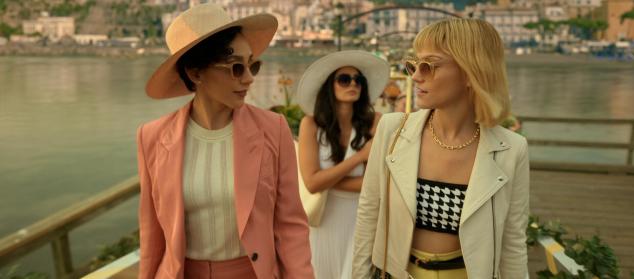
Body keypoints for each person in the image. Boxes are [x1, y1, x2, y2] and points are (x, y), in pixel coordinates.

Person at [136, 4, 314, 278]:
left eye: (252, 64)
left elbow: (290, 226)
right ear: (196, 73)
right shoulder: (152, 137)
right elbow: (152, 234)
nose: (249, 78)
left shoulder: (273, 129)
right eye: (236, 68)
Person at [353, 18, 529, 279]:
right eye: (414, 65)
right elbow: (368, 215)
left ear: (471, 73)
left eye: (429, 66)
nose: (415, 76)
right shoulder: (392, 131)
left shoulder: (511, 149)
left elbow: (513, 243)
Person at [296, 50, 389, 279]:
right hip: (323, 221)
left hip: (361, 218)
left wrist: (324, 179)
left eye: (358, 80)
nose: (353, 84)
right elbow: (311, 184)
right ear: (331, 86)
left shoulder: (375, 122)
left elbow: (373, 182)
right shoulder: (311, 125)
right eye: (344, 79)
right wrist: (359, 157)